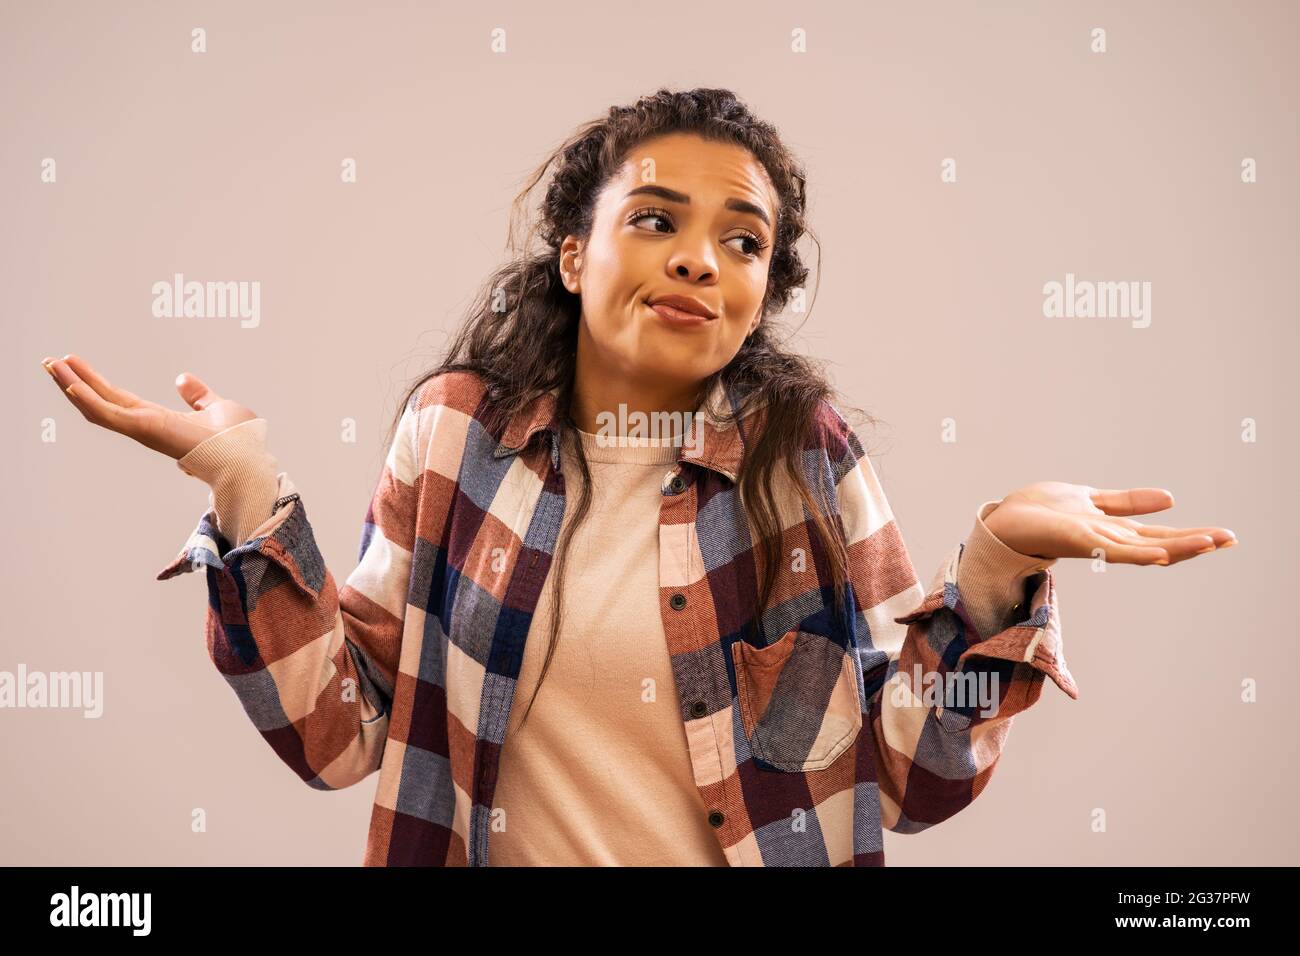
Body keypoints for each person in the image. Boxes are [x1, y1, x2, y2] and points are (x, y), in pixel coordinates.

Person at [39, 87, 1236, 867]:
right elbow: (340, 737)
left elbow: (909, 776)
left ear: (765, 286)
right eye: (656, 219)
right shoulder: (455, 434)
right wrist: (249, 494)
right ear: (574, 253)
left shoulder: (806, 458)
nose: (698, 261)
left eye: (742, 239)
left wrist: (992, 571)